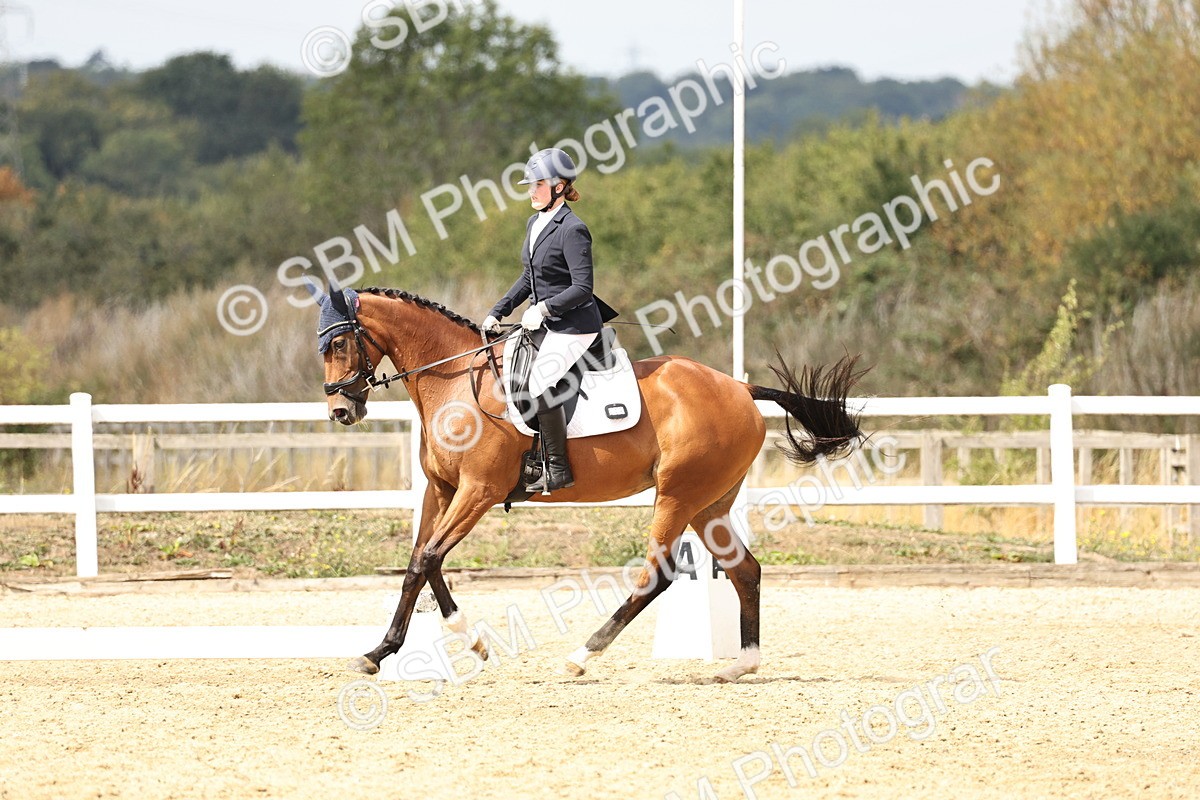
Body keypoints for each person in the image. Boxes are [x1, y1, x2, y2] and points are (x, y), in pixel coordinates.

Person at [482, 148, 617, 493]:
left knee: (540, 383)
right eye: (531, 185)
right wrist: (499, 310)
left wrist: (543, 309)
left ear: (559, 187)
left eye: (538, 184)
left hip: (575, 326)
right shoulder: (535, 223)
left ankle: (557, 468)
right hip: (545, 323)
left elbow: (583, 287)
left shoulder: (573, 229)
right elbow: (529, 277)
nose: (531, 190)